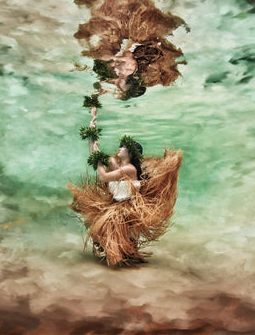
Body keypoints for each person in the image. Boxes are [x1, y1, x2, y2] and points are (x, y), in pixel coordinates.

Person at [68, 109, 183, 267]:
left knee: (124, 243)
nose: (119, 148)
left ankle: (124, 251)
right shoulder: (115, 164)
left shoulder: (130, 169)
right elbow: (95, 152)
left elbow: (103, 177)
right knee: (97, 231)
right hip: (113, 204)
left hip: (126, 209)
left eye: (123, 147)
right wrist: (92, 129)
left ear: (130, 153)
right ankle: (114, 250)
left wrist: (100, 164)